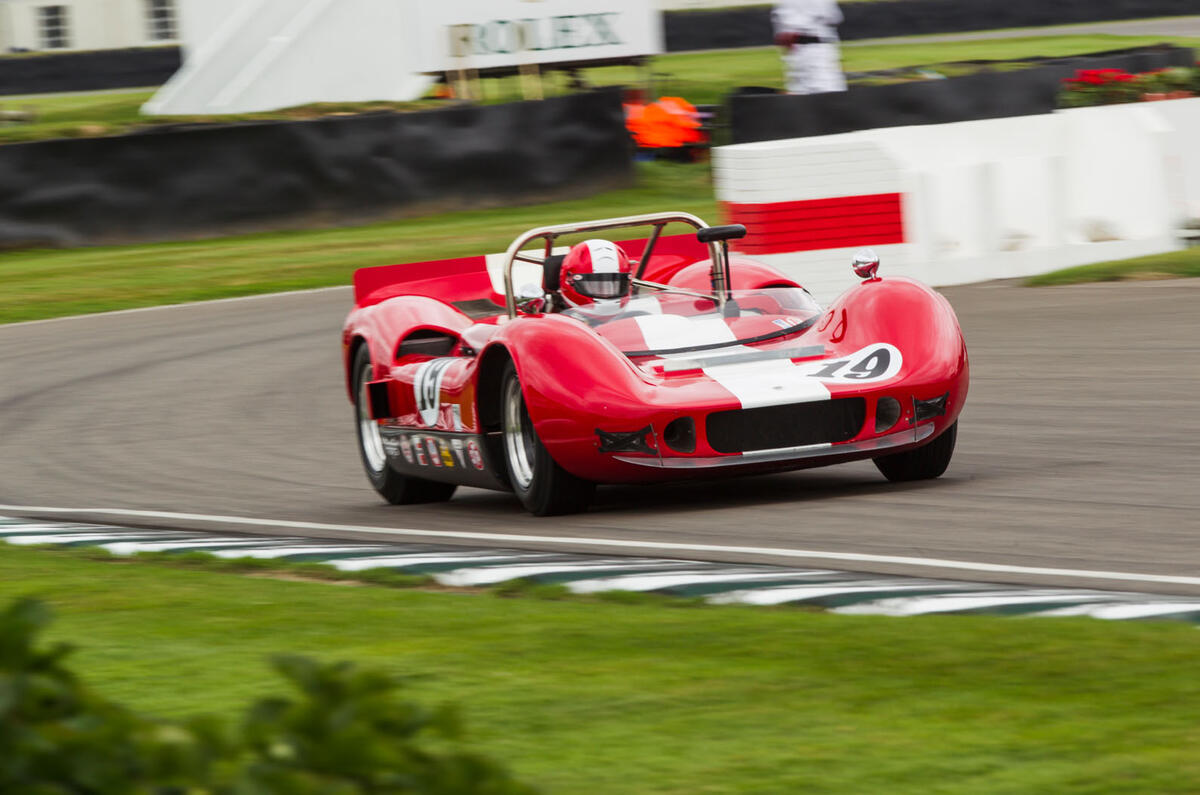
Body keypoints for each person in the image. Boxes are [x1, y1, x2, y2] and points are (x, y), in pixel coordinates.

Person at [772, 0, 847, 95]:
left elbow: (781, 33)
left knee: (799, 91)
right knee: (829, 93)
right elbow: (834, 17)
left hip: (796, 49)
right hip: (818, 47)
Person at [558, 239, 634, 310]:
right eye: (597, 286)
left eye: (614, 286)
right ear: (569, 280)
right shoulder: (555, 321)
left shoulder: (638, 317)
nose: (606, 293)